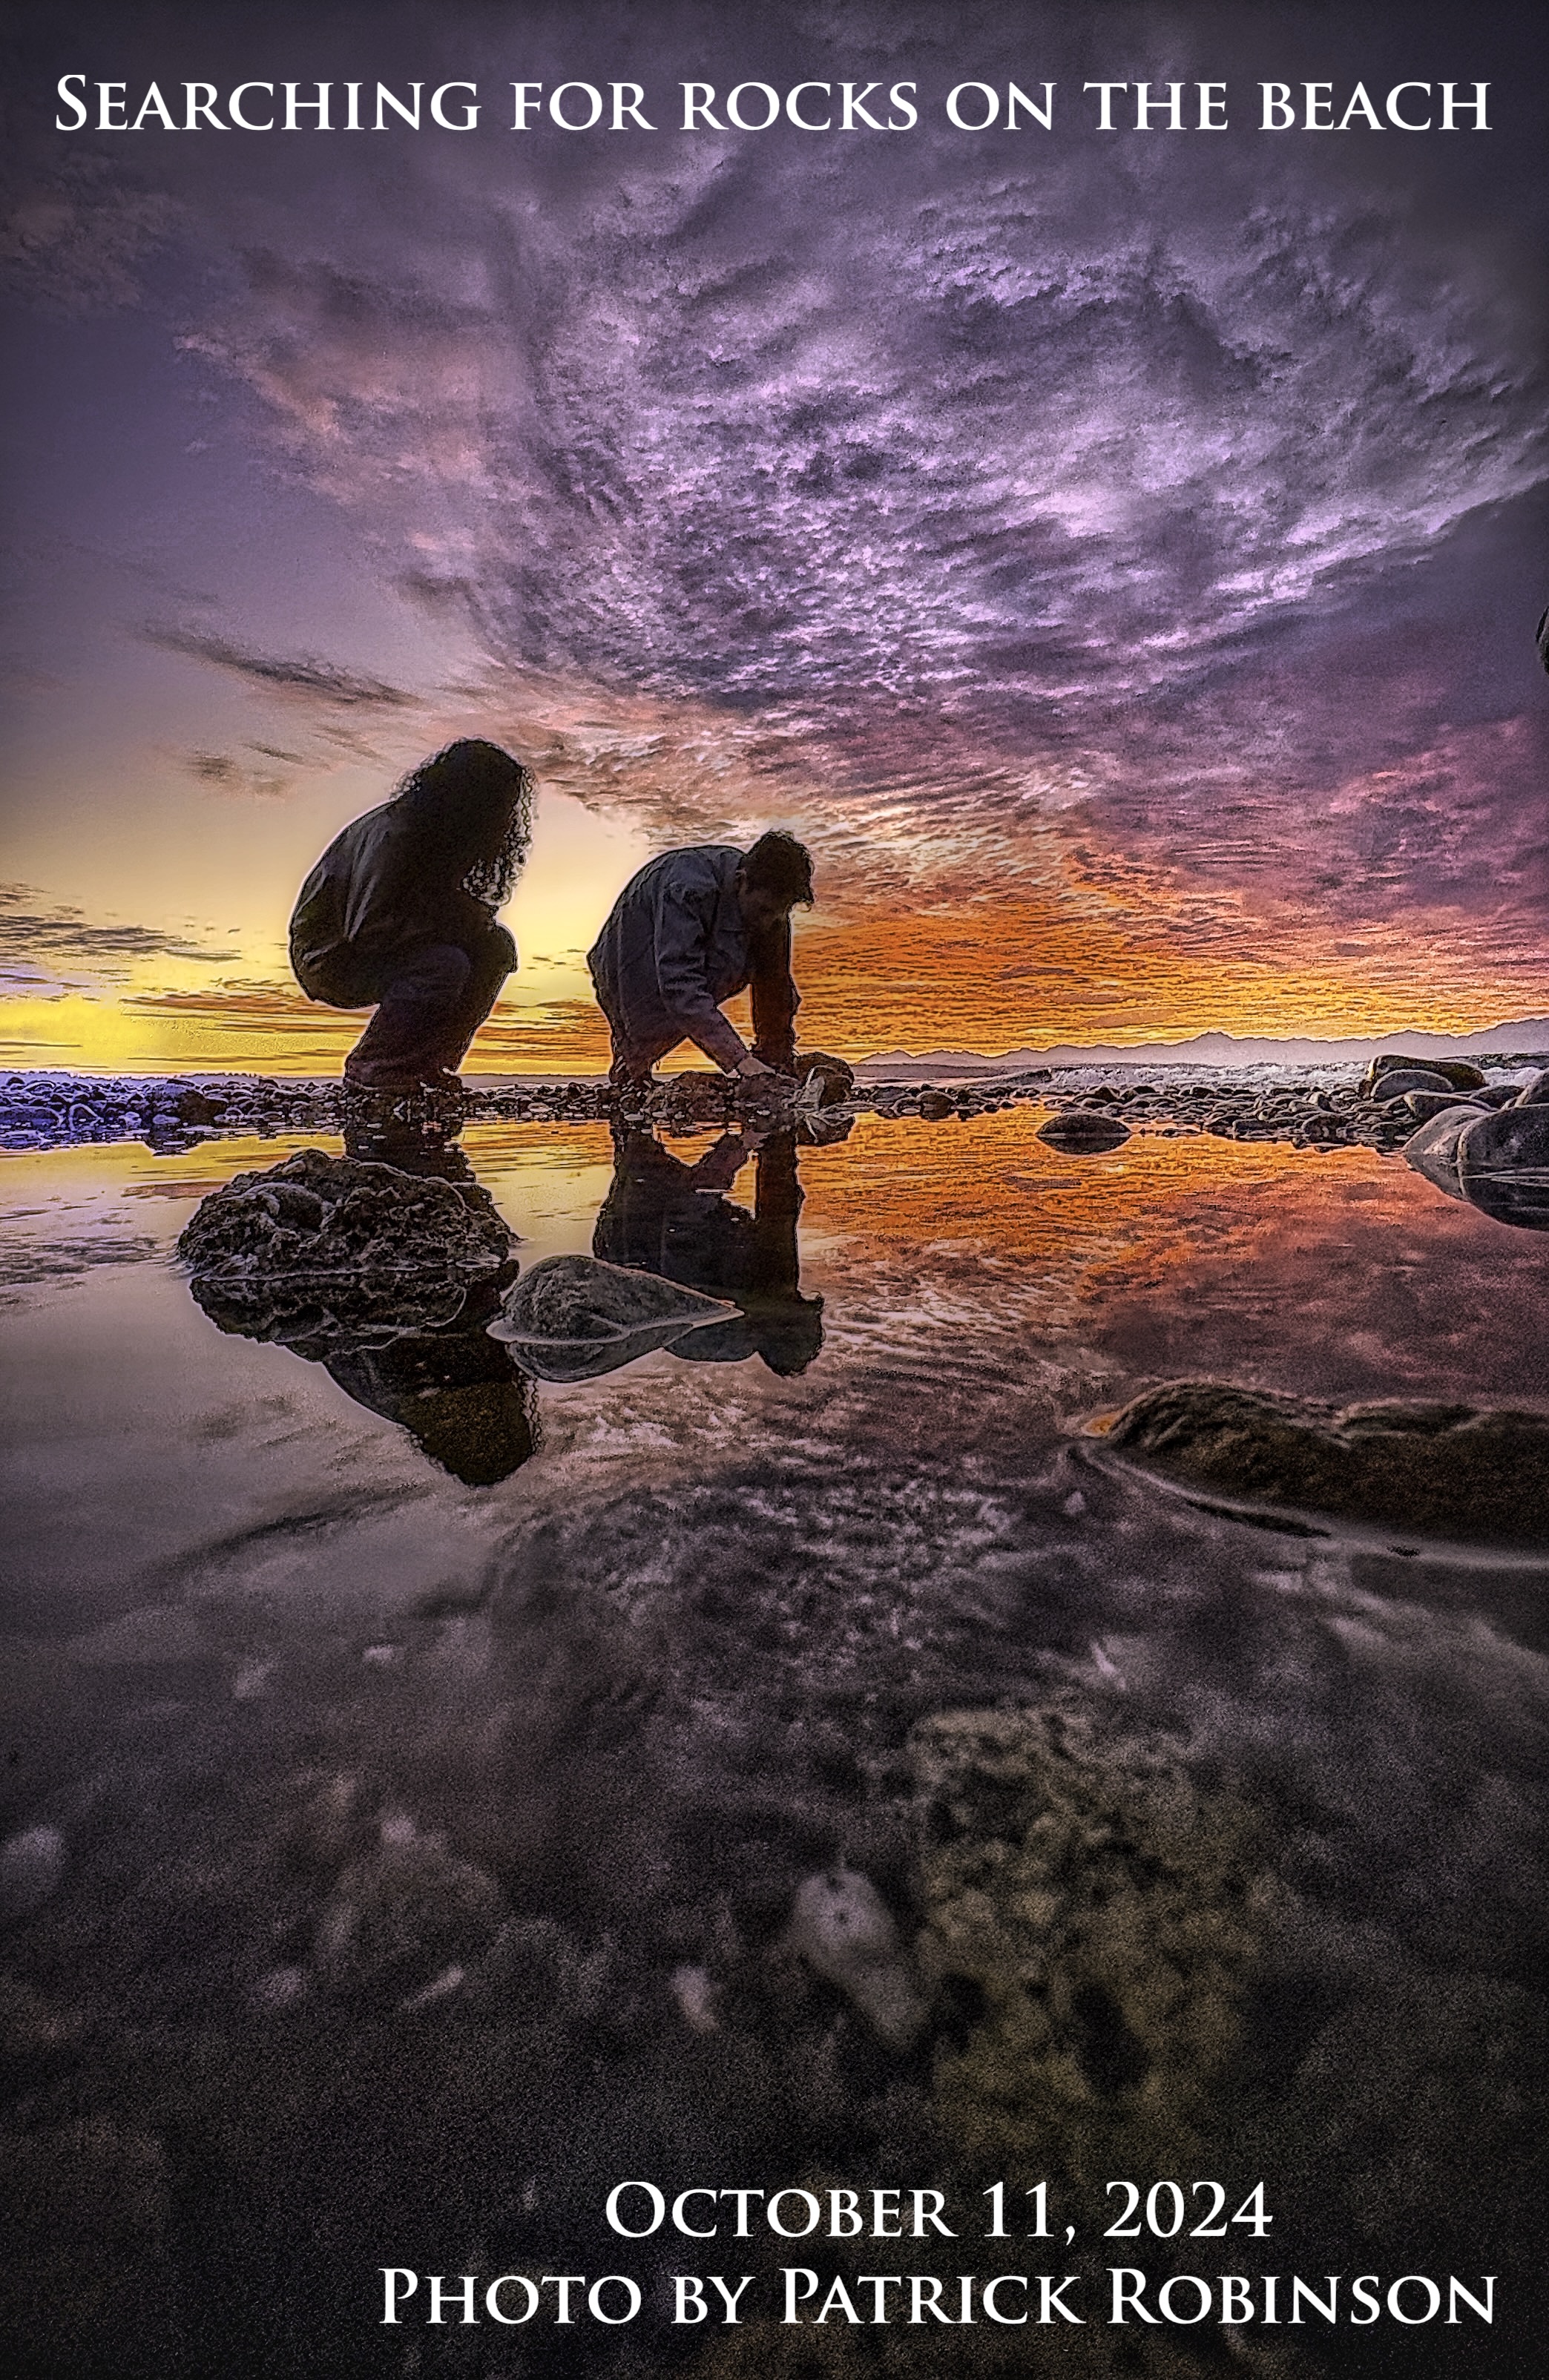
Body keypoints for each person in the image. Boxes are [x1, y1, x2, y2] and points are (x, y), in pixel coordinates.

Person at [289, 740, 533, 1094]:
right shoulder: (396, 833)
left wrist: (469, 922)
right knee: (445, 964)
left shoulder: (435, 836)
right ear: (473, 798)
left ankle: (431, 1064)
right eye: (499, 806)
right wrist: (458, 927)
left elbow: (423, 911)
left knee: (496, 948)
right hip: (330, 956)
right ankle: (374, 1065)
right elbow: (369, 928)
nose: (505, 819)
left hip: (379, 944)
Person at [587, 831, 814, 1086]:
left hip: (710, 950)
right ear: (741, 881)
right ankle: (629, 1074)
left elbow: (775, 984)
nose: (767, 921)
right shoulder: (687, 888)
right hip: (629, 960)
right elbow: (679, 986)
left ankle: (773, 1059)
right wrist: (741, 1061)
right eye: (763, 910)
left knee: (769, 974)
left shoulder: (771, 914)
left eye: (778, 913)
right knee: (637, 1044)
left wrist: (775, 1056)